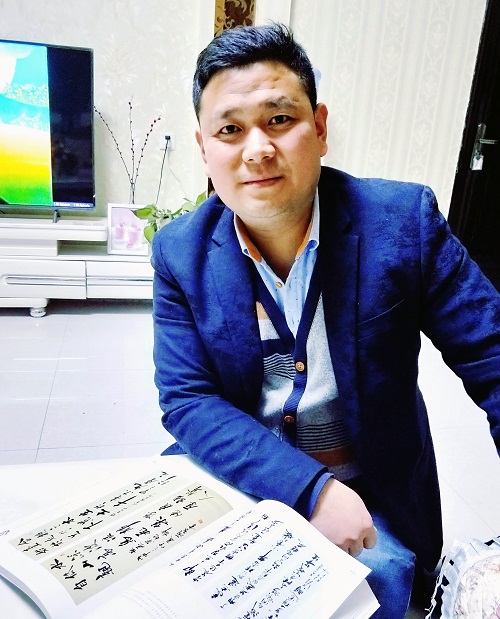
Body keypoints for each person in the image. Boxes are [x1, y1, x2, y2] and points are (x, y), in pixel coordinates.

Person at [151, 23, 500, 618]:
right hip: (241, 469)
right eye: (230, 130)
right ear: (204, 147)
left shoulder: (402, 222)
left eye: (279, 119)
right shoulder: (179, 252)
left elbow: (492, 354)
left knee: (377, 587)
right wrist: (308, 488)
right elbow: (187, 400)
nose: (257, 149)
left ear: (319, 128)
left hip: (371, 487)